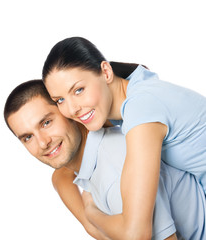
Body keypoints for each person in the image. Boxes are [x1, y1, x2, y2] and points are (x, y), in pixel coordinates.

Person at [42, 37, 206, 239]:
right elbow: (62, 173)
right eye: (60, 100)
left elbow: (137, 233)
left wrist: (91, 213)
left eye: (78, 90)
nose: (72, 109)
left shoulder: (141, 111)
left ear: (106, 72)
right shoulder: (134, 85)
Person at [4, 80, 206, 240]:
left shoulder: (114, 170)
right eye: (27, 137)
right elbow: (61, 176)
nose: (42, 143)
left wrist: (91, 213)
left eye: (46, 122)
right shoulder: (89, 165)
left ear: (69, 111)